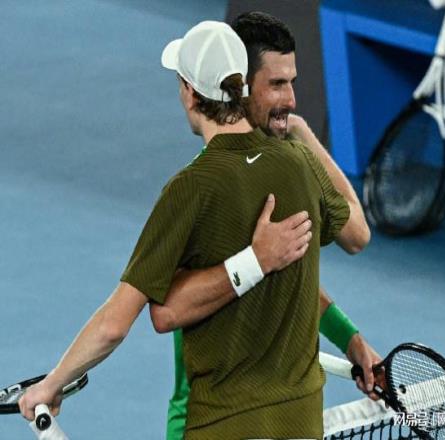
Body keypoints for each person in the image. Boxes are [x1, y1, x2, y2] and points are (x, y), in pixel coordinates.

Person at [17, 19, 314, 429]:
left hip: (224, 425)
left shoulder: (191, 188)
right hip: (299, 423)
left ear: (190, 93)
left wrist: (50, 385)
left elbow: (114, 324)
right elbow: (355, 233)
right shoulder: (299, 162)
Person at [148, 11, 380, 440]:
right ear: (239, 84)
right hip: (207, 420)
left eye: (292, 82)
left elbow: (353, 237)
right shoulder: (208, 185)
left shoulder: (286, 168)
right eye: (276, 84)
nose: (290, 99)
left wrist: (350, 339)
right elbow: (168, 310)